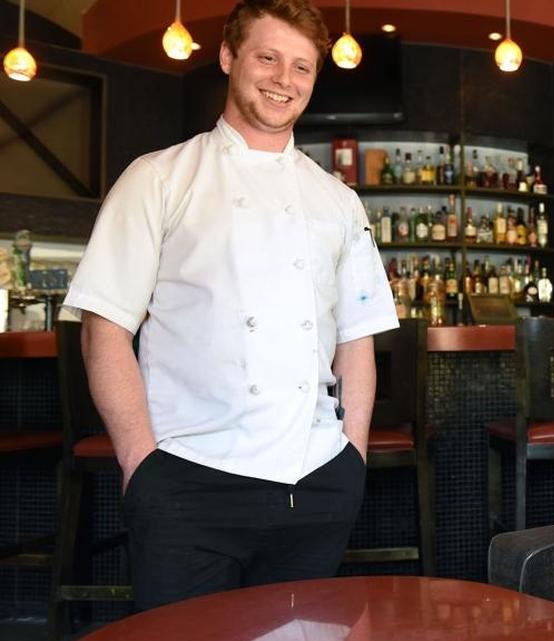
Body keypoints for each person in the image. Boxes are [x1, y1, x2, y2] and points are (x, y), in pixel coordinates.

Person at [61, 0, 397, 610]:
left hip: (316, 480)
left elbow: (357, 337)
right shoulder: (158, 177)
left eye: (301, 66)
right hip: (187, 479)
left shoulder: (339, 201)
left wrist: (351, 456)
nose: (284, 79)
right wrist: (142, 466)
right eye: (267, 57)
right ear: (227, 57)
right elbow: (103, 328)